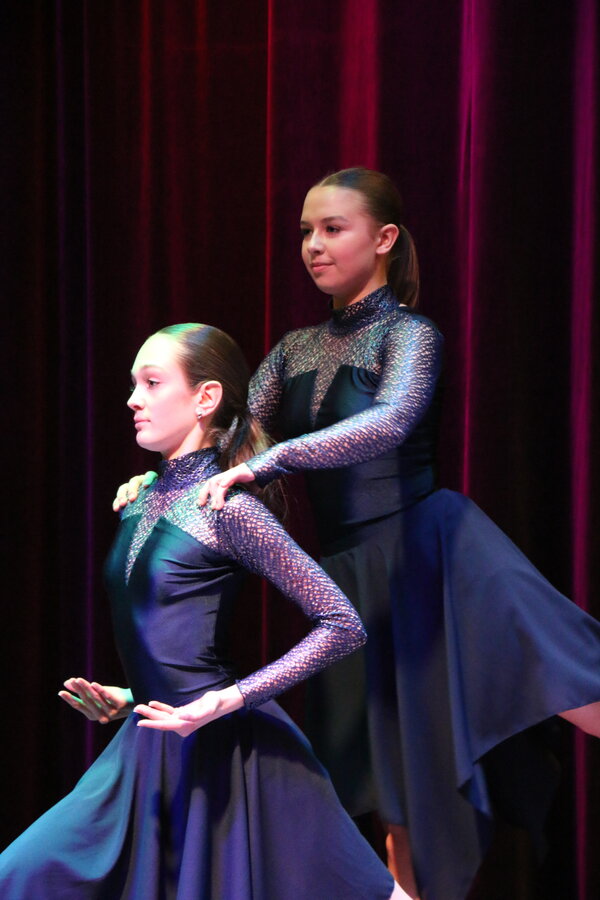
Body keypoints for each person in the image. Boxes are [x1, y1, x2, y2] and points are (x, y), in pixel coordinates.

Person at [114, 168, 600, 900]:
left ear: (384, 239)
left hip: (436, 553)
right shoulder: (294, 349)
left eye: (332, 229)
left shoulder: (410, 334)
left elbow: (390, 421)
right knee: (394, 779)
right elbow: (231, 432)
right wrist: (158, 484)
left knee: (568, 681)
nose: (313, 245)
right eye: (306, 232)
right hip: (353, 572)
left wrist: (273, 459)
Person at [0, 322, 412, 900]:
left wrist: (229, 698)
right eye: (133, 384)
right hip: (151, 740)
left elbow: (342, 623)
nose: (133, 399)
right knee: (22, 874)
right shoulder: (139, 498)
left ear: (205, 398)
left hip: (228, 751)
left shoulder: (228, 508)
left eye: (151, 383)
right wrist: (133, 696)